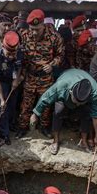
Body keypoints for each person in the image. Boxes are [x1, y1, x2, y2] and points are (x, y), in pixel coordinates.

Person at [16, 9, 64, 139]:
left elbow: (60, 56)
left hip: (46, 77)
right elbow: (19, 55)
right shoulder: (25, 35)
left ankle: (44, 127)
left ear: (43, 24)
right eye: (32, 28)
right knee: (26, 104)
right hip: (30, 76)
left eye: (37, 29)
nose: (34, 32)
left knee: (46, 105)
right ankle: (22, 127)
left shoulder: (54, 37)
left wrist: (52, 64)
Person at [30, 69, 97, 155]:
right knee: (58, 112)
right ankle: (55, 141)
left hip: (84, 97)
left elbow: (96, 116)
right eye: (76, 101)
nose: (77, 105)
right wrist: (35, 114)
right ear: (71, 92)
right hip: (66, 86)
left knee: (86, 114)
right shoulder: (61, 86)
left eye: (80, 103)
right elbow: (45, 98)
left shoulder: (94, 92)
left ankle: (83, 141)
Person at [0, 31, 23, 145]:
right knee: (3, 107)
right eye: (9, 53)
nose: (12, 56)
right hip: (1, 82)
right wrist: (2, 99)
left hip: (12, 81)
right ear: (3, 46)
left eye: (14, 53)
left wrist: (16, 80)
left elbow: (19, 67)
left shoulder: (19, 53)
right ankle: (4, 133)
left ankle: (11, 125)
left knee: (12, 104)